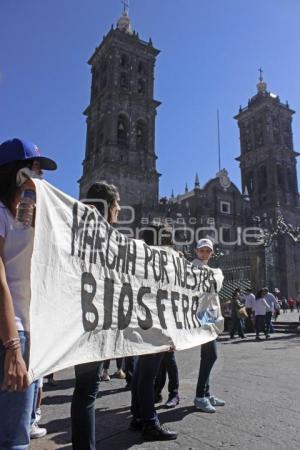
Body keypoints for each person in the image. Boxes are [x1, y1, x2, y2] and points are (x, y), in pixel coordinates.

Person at [0, 138, 57, 449]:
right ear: (14, 173)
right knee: (13, 438)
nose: (40, 177)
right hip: (11, 335)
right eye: (34, 169)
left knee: (17, 429)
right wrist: (12, 349)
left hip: (29, 334)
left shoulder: (25, 219)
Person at [71, 181, 121, 450]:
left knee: (85, 390)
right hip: (89, 322)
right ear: (110, 207)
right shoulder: (103, 234)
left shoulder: (75, 226)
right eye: (117, 205)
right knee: (88, 391)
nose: (120, 210)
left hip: (83, 318)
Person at [130, 226, 177, 440]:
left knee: (141, 372)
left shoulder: (140, 262)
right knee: (148, 375)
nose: (172, 244)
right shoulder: (161, 265)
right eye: (168, 240)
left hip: (141, 321)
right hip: (155, 324)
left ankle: (138, 416)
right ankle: (149, 422)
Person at [192, 238, 225, 413]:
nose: (204, 253)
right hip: (201, 317)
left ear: (211, 253)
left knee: (208, 356)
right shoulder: (193, 268)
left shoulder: (212, 271)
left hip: (210, 316)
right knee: (211, 356)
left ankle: (206, 393)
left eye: (207, 251)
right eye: (201, 250)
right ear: (196, 251)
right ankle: (200, 396)